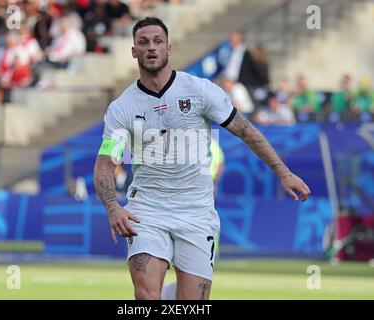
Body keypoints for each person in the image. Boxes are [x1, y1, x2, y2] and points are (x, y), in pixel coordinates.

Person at [93, 17, 311, 300]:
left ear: (169, 48)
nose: (151, 48)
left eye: (158, 41)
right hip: (146, 210)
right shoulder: (122, 108)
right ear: (134, 51)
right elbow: (105, 163)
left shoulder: (199, 91)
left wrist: (283, 172)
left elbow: (246, 130)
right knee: (146, 297)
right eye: (143, 42)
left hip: (196, 212)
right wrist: (113, 208)